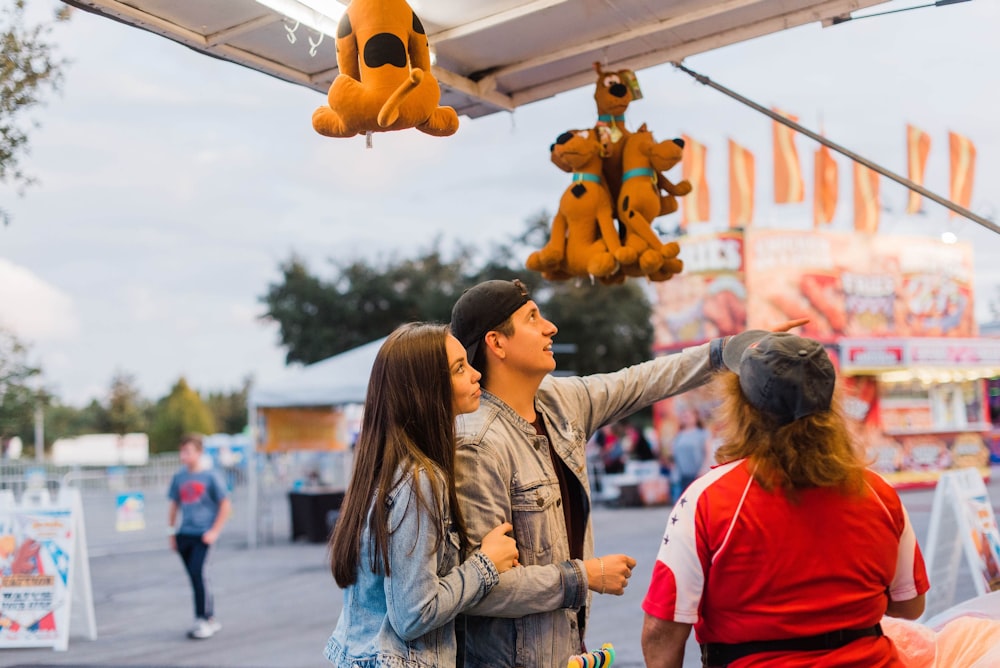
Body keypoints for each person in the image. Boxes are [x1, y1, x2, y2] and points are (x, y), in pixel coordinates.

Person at [448, 279, 804, 667]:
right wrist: (586, 575)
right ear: (497, 343)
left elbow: (641, 380)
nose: (550, 327)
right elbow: (481, 588)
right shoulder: (476, 444)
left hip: (564, 650)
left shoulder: (558, 401)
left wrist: (725, 351)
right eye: (533, 317)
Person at [641, 331, 929, 668]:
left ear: (742, 408)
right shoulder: (878, 493)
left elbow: (662, 628)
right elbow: (909, 605)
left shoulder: (708, 499)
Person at [324, 323, 519, 668]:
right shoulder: (419, 479)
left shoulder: (386, 467)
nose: (476, 374)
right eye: (460, 368)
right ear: (426, 389)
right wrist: (486, 563)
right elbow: (414, 614)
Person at [167, 433, 232, 640]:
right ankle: (210, 618)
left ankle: (202, 619)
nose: (183, 455)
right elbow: (174, 505)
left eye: (188, 451)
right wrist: (171, 532)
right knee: (196, 578)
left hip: (203, 535)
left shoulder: (211, 476)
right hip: (184, 533)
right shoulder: (179, 477)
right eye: (182, 451)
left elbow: (226, 505)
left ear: (199, 452)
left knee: (198, 574)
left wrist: (214, 531)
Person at [669, 406, 707, 494]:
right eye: (684, 415)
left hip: (697, 474)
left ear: (696, 417)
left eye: (689, 415)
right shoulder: (678, 435)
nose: (686, 417)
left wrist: (703, 469)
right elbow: (673, 455)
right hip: (681, 476)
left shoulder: (702, 434)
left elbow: (708, 453)